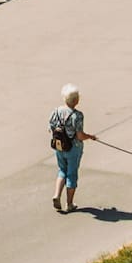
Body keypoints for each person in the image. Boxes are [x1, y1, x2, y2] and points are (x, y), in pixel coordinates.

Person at [49, 84, 98, 213]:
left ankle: (56, 195)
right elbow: (80, 136)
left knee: (62, 170)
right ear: (76, 100)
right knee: (71, 174)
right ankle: (69, 204)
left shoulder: (56, 111)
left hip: (59, 146)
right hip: (73, 149)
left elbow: (51, 128)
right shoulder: (78, 115)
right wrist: (90, 137)